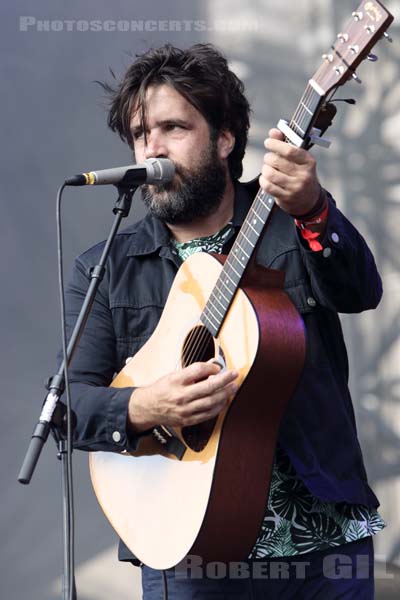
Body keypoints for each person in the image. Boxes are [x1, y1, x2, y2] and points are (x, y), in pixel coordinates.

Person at [64, 43, 385, 598]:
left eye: (173, 128)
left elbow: (361, 290)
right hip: (187, 546)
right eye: (142, 134)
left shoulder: (288, 223)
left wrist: (312, 208)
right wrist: (145, 405)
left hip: (324, 546)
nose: (153, 148)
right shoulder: (106, 268)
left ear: (225, 138)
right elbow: (69, 406)